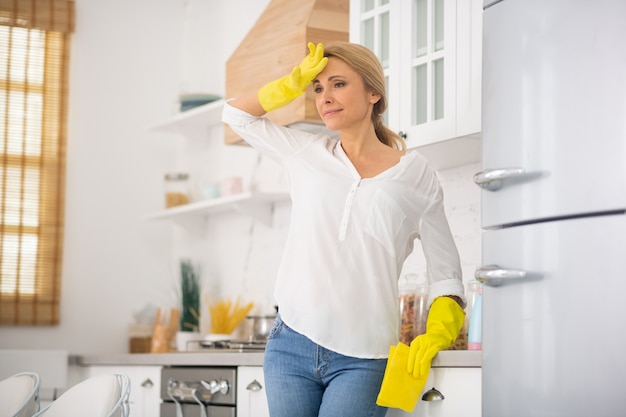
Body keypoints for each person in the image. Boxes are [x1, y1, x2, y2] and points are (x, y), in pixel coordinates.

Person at [222, 41, 466, 417]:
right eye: (317, 88)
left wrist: (437, 333)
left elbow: (446, 274)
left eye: (337, 84)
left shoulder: (416, 175)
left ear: (373, 93)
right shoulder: (305, 153)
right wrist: (290, 83)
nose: (325, 97)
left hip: (365, 356)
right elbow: (236, 115)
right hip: (291, 345)